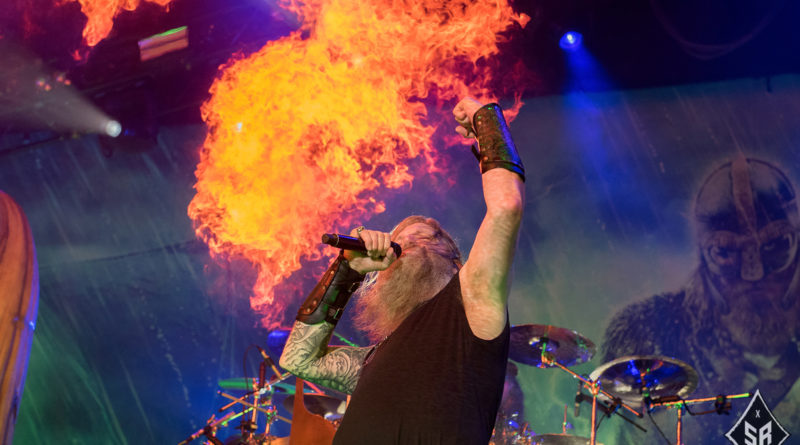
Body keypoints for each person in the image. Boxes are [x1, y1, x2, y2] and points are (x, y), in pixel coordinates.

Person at [278, 97, 526, 444]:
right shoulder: (374, 358)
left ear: (456, 262)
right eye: (402, 242)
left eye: (429, 238)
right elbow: (298, 359)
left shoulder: (471, 305)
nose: (413, 240)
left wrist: (486, 121)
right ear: (382, 274)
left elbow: (506, 209)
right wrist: (347, 271)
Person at [601, 157, 800, 443]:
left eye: (777, 246)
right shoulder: (646, 331)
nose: (753, 272)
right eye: (725, 251)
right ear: (704, 255)